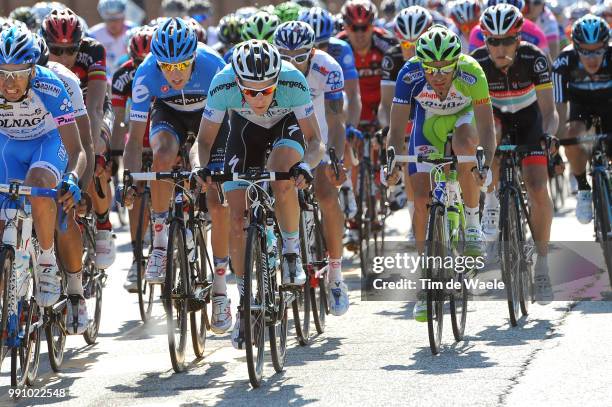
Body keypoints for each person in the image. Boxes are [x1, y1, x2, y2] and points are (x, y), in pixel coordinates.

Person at [193, 39, 324, 347]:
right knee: (236, 218)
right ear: (237, 83)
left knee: (281, 177)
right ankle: (245, 301)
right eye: (251, 91)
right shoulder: (222, 84)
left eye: (267, 90)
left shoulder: (293, 79)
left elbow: (315, 140)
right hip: (243, 131)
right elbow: (203, 142)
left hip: (285, 128)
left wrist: (306, 165)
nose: (260, 97)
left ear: (277, 80)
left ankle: (291, 251)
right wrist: (202, 168)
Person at [122, 19, 232, 337]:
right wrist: (129, 178)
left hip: (210, 120)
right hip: (169, 114)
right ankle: (159, 241)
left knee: (216, 197)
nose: (175, 72)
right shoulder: (145, 74)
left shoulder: (214, 66)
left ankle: (222, 290)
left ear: (194, 57)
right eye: (167, 65)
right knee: (163, 155)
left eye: (182, 64)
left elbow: (234, 120)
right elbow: (134, 137)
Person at [386, 25, 496, 321]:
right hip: (429, 125)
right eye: (430, 70)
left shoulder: (472, 72)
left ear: (456, 63)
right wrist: (392, 163)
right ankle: (426, 279)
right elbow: (396, 130)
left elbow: (487, 128)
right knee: (421, 199)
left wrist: (484, 163)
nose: (437, 76)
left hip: (464, 120)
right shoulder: (409, 73)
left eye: (445, 69)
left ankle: (472, 224)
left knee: (463, 144)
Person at [472, 4, 558, 303]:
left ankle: (543, 264)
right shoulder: (476, 63)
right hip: (494, 120)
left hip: (529, 120)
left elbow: (549, 112)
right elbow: (471, 117)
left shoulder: (535, 59)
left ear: (519, 38)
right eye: (492, 40)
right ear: (484, 40)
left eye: (507, 40)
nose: (499, 47)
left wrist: (548, 136)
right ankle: (493, 202)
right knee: (489, 138)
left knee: (536, 186)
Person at [0, 26, 86, 323]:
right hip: (8, 147)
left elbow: (77, 149)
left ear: (33, 70)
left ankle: (47, 261)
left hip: (46, 144)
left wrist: (73, 177)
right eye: (2, 73)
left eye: (18, 73)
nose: (9, 83)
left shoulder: (50, 86)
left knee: (38, 187)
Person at [274, 21, 350, 315]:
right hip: (284, 134)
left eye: (300, 56)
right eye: (285, 56)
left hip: (319, 137)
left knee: (327, 195)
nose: (292, 62)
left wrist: (337, 158)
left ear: (313, 51)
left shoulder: (328, 68)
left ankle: (335, 275)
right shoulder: (271, 69)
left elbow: (336, 120)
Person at [41, 8, 117, 270]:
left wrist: (92, 150)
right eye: (56, 50)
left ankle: (104, 223)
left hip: (90, 109)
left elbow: (95, 108)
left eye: (70, 50)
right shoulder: (39, 60)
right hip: (58, 115)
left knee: (96, 154)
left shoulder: (94, 51)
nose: (64, 57)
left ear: (80, 44)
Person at [336, 0, 397, 249]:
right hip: (350, 107)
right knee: (351, 159)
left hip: (380, 104)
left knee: (381, 145)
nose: (360, 33)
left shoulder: (387, 44)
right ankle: (352, 222)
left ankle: (382, 189)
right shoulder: (338, 48)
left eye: (365, 27)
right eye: (354, 28)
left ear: (373, 25)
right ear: (345, 27)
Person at [299, 6, 362, 220]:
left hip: (334, 96)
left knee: (339, 119)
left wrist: (351, 125)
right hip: (309, 100)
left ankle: (345, 184)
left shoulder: (341, 49)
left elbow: (353, 95)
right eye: (315, 45)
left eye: (324, 44)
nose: (319, 50)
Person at [378, 6, 434, 243]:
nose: (411, 51)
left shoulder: (438, 52)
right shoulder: (392, 58)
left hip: (436, 108)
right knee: (408, 149)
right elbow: (387, 104)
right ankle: (416, 217)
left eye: (416, 44)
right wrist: (390, 131)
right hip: (406, 108)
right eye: (406, 45)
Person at [552, 15, 612, 225]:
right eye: (585, 51)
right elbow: (558, 110)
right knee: (571, 135)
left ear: (606, 45)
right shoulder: (564, 61)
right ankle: (583, 189)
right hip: (580, 108)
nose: (592, 58)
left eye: (597, 50)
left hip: (609, 104)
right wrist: (556, 147)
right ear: (575, 47)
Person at [468, 0, 549, 55]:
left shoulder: (535, 33)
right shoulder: (477, 33)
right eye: (493, 41)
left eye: (509, 19)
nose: (501, 25)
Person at [89, 0, 136, 79]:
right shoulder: (93, 34)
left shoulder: (134, 30)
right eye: (109, 20)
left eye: (117, 19)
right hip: (102, 78)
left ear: (123, 17)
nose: (113, 23)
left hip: (128, 77)